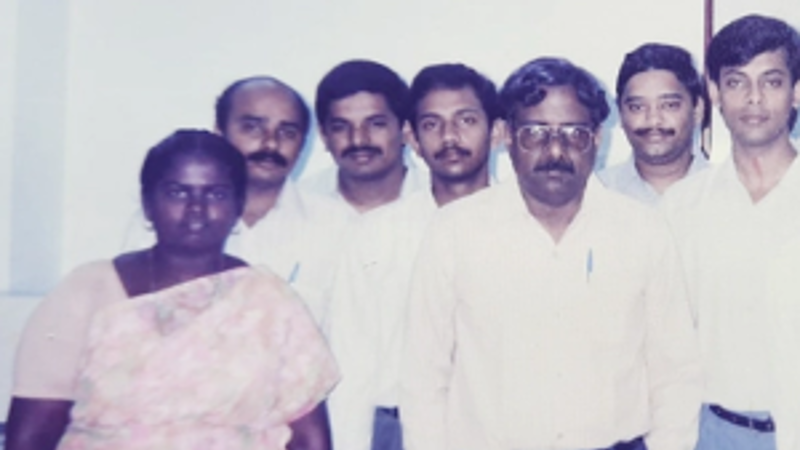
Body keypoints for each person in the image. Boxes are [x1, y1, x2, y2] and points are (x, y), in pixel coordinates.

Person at [400, 57, 701, 450]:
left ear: (597, 138)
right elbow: (424, 376)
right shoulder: (455, 232)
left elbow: (675, 373)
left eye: (574, 133)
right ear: (508, 136)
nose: (555, 150)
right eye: (535, 133)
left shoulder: (642, 231)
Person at [5, 130, 339, 450]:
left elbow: (311, 440)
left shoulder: (270, 301)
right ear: (148, 203)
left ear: (238, 206)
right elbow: (31, 434)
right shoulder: (86, 290)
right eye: (178, 192)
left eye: (216, 194)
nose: (197, 208)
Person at [326, 63, 502, 450]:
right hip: (400, 430)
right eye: (432, 124)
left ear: (498, 131)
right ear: (412, 137)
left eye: (467, 120)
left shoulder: (527, 227)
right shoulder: (374, 234)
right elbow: (351, 367)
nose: (450, 136)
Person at [661, 14, 800, 450]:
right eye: (737, 82)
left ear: (797, 91)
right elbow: (664, 341)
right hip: (714, 433)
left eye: (772, 81)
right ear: (716, 93)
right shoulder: (682, 207)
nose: (754, 98)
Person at [124, 77, 346, 324]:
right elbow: (135, 324)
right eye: (252, 127)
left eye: (287, 132)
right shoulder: (170, 219)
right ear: (220, 131)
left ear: (303, 144)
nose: (271, 143)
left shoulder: (337, 226)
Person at [301, 59, 427, 216]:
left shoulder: (440, 204)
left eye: (376, 124)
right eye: (341, 127)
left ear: (405, 131)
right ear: (324, 136)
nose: (358, 140)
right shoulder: (296, 206)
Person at [598, 43, 709, 205]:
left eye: (669, 105)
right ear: (621, 113)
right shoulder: (596, 194)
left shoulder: (731, 192)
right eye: (638, 107)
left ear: (697, 110)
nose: (653, 119)